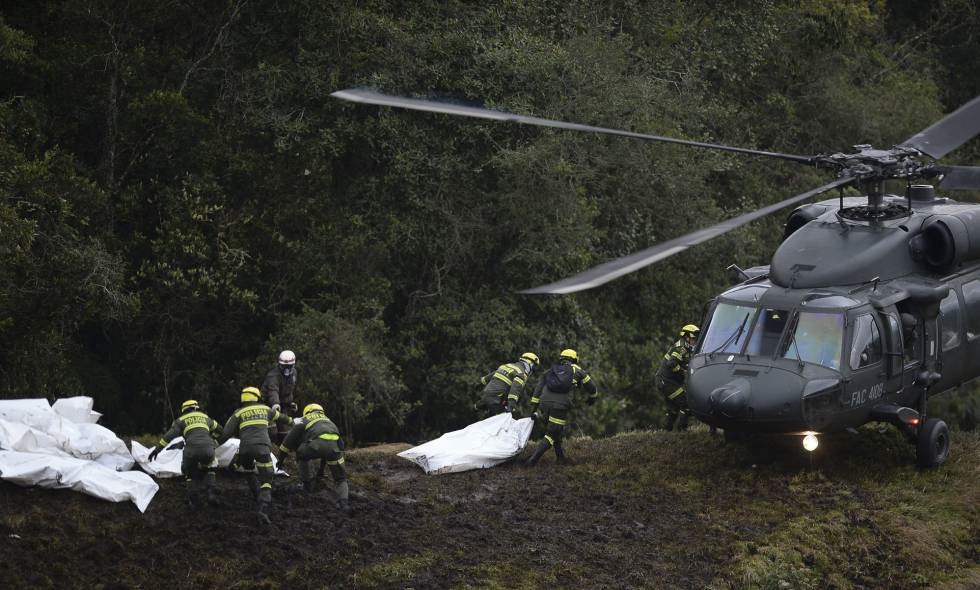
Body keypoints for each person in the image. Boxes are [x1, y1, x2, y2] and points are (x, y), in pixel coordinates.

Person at [218, 386, 292, 525]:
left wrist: (213, 445)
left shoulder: (238, 412)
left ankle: (255, 494)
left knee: (248, 469)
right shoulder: (266, 409)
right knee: (267, 481)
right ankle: (263, 510)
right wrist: (296, 422)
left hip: (245, 450)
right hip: (263, 449)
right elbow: (284, 419)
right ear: (257, 397)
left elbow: (225, 434)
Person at [525, 349, 598, 466]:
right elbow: (591, 386)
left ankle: (560, 458)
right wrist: (593, 397)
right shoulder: (577, 369)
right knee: (552, 433)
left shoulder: (551, 370)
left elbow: (538, 387)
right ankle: (532, 461)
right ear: (574, 359)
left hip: (544, 403)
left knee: (556, 430)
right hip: (560, 405)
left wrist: (534, 406)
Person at [277, 403, 351, 513]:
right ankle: (344, 504)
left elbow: (287, 442)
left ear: (307, 412)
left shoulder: (304, 419)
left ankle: (307, 485)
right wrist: (321, 471)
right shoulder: (329, 420)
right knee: (341, 479)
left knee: (301, 453)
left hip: (314, 446)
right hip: (335, 448)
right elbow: (334, 445)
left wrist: (280, 461)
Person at [148, 399, 222, 508]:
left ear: (184, 410)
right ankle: (211, 494)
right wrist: (213, 441)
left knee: (189, 473)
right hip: (208, 448)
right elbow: (220, 430)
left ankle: (194, 501)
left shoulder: (180, 420)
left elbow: (168, 437)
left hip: (190, 450)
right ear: (196, 408)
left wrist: (157, 450)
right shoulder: (206, 417)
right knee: (210, 467)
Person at [655, 324, 700, 431]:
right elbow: (671, 363)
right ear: (686, 337)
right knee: (686, 404)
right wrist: (684, 371)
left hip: (669, 382)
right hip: (666, 382)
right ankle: (682, 430)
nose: (695, 341)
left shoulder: (687, 348)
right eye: (693, 338)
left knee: (673, 409)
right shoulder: (681, 348)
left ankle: (666, 432)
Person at [477, 352, 539, 418]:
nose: (532, 370)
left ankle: (477, 406)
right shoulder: (521, 374)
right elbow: (514, 391)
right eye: (534, 366)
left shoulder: (506, 366)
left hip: (485, 397)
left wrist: (479, 386)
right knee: (512, 417)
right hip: (496, 401)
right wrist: (511, 407)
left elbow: (486, 379)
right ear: (530, 363)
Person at [261, 350, 298, 444]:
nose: (287, 369)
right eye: (284, 366)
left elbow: (289, 390)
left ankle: (283, 450)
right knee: (271, 429)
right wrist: (275, 403)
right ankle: (269, 447)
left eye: (289, 367)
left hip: (283, 404)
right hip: (268, 404)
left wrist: (290, 403)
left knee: (286, 430)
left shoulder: (294, 373)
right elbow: (273, 390)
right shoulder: (273, 376)